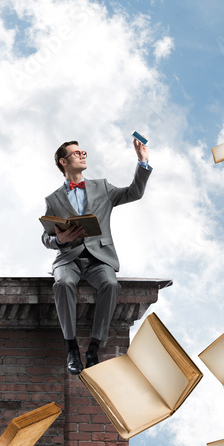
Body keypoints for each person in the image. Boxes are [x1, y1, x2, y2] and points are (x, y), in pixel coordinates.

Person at [41, 139, 151, 375]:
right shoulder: (53, 199)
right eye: (77, 152)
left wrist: (143, 161)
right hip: (68, 259)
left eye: (83, 151)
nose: (83, 155)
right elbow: (46, 238)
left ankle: (94, 347)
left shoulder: (102, 187)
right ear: (63, 161)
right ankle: (71, 348)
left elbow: (135, 192)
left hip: (98, 258)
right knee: (62, 284)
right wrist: (61, 239)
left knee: (111, 284)